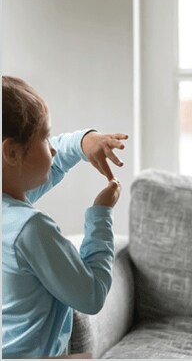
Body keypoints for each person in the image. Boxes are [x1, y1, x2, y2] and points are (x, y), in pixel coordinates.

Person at [2, 76, 129, 358]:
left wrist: (85, 142)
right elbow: (91, 295)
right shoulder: (30, 229)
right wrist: (101, 215)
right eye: (45, 137)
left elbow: (50, 161)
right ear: (11, 152)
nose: (54, 147)